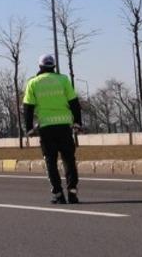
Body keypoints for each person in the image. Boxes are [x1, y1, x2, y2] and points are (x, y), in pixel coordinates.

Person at [23, 53, 82, 205]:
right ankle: (72, 192)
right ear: (54, 66)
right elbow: (74, 102)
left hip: (46, 127)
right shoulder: (63, 80)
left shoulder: (33, 83)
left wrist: (29, 128)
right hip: (64, 126)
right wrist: (77, 122)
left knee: (50, 161)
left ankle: (58, 193)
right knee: (69, 159)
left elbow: (28, 107)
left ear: (40, 66)